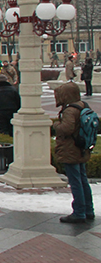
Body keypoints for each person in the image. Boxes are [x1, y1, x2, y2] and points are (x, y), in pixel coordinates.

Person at [52, 82, 95, 223]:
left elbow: (67, 129)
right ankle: (89, 210)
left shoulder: (70, 110)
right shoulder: (82, 105)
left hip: (71, 149)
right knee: (82, 180)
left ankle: (79, 212)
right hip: (81, 148)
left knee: (76, 181)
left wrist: (55, 125)